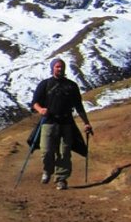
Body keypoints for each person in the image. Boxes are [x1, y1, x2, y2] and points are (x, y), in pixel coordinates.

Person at [30, 58, 93, 190]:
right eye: (57, 67)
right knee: (46, 151)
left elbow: (78, 106)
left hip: (66, 123)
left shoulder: (71, 86)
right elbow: (35, 102)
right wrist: (40, 109)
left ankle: (61, 179)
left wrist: (86, 123)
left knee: (64, 152)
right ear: (53, 68)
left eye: (62, 67)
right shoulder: (45, 84)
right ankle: (47, 170)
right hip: (48, 122)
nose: (60, 69)